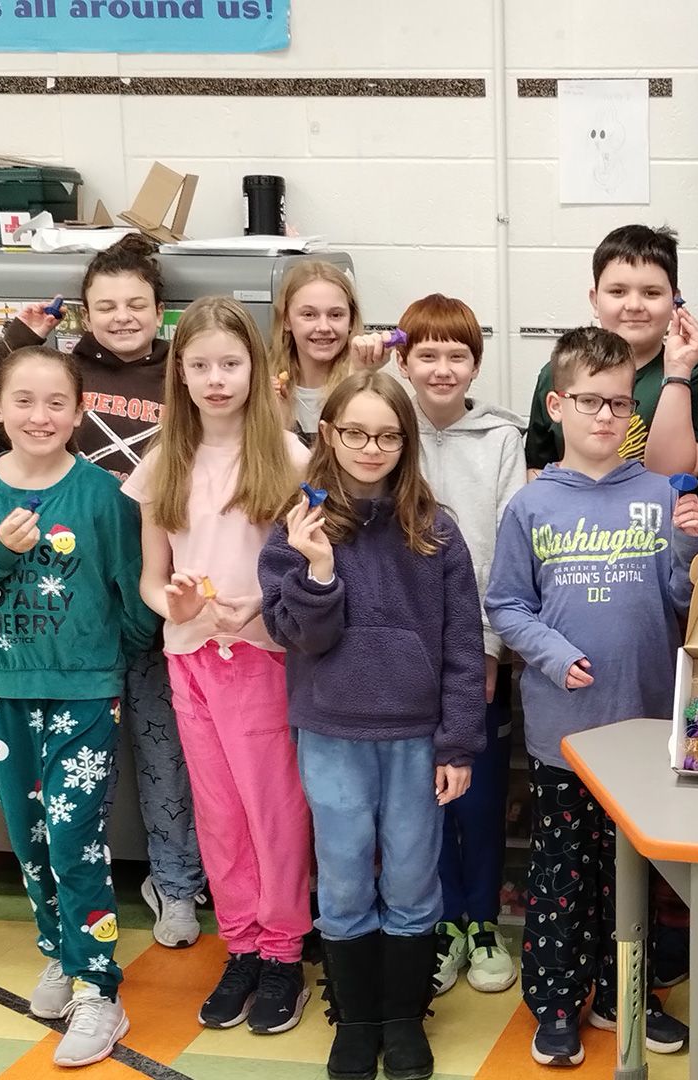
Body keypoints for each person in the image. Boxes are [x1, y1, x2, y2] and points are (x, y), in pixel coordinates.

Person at [0, 235, 206, 946]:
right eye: (104, 306)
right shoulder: (60, 373)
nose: (122, 317)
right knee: (72, 788)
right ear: (83, 314)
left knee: (163, 754)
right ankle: (70, 921)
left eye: (136, 304)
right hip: (64, 611)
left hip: (153, 594)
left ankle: (176, 883)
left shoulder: (184, 373)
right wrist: (17, 339)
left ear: (160, 309)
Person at [0, 346, 158, 1067]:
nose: (40, 416)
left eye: (57, 402)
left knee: (75, 840)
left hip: (85, 692)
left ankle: (98, 988)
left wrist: (120, 655)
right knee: (28, 841)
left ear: (80, 411)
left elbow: (132, 595)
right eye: (23, 401)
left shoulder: (103, 495)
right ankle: (61, 947)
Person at [488, 327, 698, 1068]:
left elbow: (683, 600)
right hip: (566, 736)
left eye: (619, 403)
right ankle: (555, 1007)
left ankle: (627, 997)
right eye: (590, 402)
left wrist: (688, 549)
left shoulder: (658, 494)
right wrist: (551, 654)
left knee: (633, 874)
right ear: (558, 404)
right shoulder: (531, 506)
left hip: (643, 727)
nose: (606, 416)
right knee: (560, 872)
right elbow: (507, 605)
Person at [259, 369, 486, 1080]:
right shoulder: (297, 524)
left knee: (415, 881)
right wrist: (320, 571)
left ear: (405, 441)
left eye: (387, 435)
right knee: (347, 878)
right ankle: (355, 1020)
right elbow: (296, 635)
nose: (370, 447)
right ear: (328, 433)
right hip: (332, 733)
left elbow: (461, 647)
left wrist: (458, 742)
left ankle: (403, 1018)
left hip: (418, 739)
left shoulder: (436, 529)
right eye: (355, 432)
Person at [124, 297, 314, 1033]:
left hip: (264, 659)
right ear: (179, 374)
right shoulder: (162, 460)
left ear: (256, 368)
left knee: (273, 812)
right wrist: (167, 606)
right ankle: (240, 944)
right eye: (199, 366)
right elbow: (150, 577)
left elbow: (314, 574)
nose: (215, 378)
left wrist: (260, 610)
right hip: (190, 660)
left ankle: (284, 951)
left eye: (229, 364)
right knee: (219, 814)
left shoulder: (290, 459)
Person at [389, 292, 525, 997]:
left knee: (481, 791)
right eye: (429, 354)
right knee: (425, 794)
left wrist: (495, 647)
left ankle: (482, 919)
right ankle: (442, 920)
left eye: (458, 355)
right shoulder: (386, 427)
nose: (443, 369)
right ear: (405, 359)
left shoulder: (503, 438)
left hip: (476, 648)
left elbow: (508, 550)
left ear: (476, 364)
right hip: (402, 654)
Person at [524, 225, 698, 541]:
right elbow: (537, 471)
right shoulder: (556, 373)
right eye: (617, 291)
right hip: (580, 542)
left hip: (667, 546)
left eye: (652, 293)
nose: (634, 305)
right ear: (595, 299)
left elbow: (670, 476)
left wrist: (676, 373)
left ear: (675, 301)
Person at [268, 259, 371, 446]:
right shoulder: (264, 390)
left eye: (336, 315)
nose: (323, 327)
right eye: (309, 315)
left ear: (351, 321)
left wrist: (359, 377)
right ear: (286, 320)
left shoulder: (368, 389)